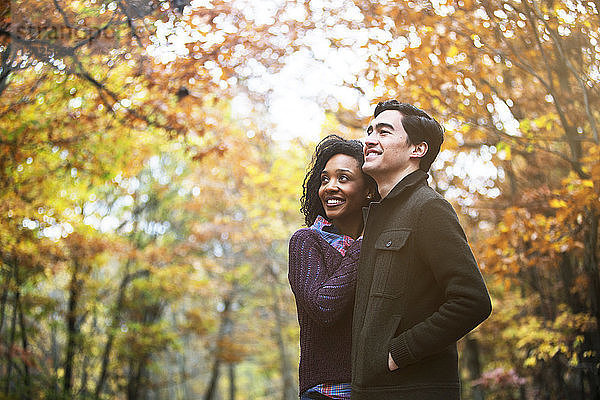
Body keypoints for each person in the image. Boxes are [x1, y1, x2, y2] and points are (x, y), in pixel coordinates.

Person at [351, 100, 492, 400]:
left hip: (414, 391)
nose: (370, 140)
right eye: (370, 131)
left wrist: (397, 354)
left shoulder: (429, 208)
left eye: (384, 132)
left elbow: (472, 301)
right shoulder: (379, 215)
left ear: (417, 150)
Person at [289, 135, 379, 400]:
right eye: (325, 179)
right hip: (325, 392)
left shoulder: (382, 244)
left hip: (379, 389)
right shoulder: (306, 241)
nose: (330, 187)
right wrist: (363, 245)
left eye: (343, 178)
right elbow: (323, 306)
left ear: (368, 190)